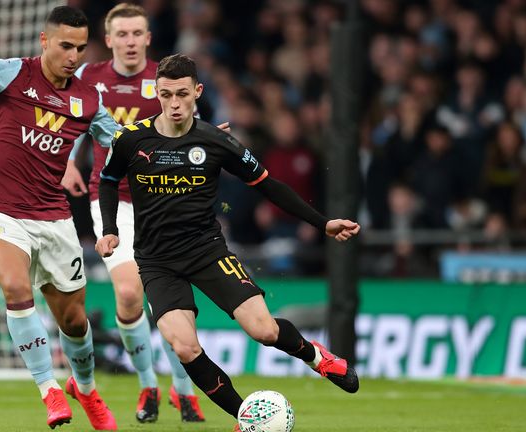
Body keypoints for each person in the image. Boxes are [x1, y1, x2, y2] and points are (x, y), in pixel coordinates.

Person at [95, 54, 361, 427]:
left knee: (264, 331)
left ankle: (317, 358)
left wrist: (322, 223)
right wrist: (109, 229)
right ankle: (245, 418)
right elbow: (108, 181)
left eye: (183, 94)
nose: (174, 103)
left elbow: (268, 185)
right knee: (184, 346)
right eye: (167, 94)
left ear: (198, 92)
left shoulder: (216, 141)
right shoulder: (130, 139)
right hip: (157, 262)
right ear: (157, 92)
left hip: (207, 252)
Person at [0, 1, 119, 430]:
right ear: (44, 41)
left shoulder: (88, 100)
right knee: (15, 286)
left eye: (81, 49)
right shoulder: (11, 72)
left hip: (54, 220)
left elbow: (125, 144)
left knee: (73, 321)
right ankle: (48, 388)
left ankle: (85, 389)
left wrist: (183, 138)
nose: (73, 56)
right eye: (65, 46)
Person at [61, 3, 207, 423]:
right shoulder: (89, 77)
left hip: (163, 201)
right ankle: (148, 384)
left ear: (147, 38)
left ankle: (184, 391)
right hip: (111, 199)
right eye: (121, 34)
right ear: (108, 40)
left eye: (136, 33)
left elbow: (190, 128)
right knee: (128, 293)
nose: (129, 41)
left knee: (173, 303)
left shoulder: (166, 78)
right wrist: (71, 160)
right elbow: (72, 118)